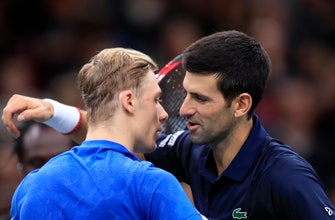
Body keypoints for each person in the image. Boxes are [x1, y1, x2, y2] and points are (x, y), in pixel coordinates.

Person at [2, 30, 335, 219]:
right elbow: (110, 131)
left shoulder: (287, 178)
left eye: (201, 99)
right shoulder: (186, 152)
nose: (182, 110)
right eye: (185, 94)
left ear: (241, 104)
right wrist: (53, 111)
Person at [4, 48, 204, 219]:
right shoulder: (151, 184)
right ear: (129, 101)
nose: (164, 114)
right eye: (156, 100)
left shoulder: (30, 186)